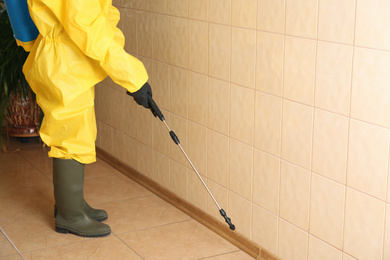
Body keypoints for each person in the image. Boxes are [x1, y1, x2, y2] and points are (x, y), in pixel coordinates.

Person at [4, 0, 153, 237]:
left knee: (78, 130)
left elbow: (98, 16)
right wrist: (133, 78)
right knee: (71, 137)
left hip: (66, 56)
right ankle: (69, 215)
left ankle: (72, 203)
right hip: (65, 61)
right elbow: (87, 26)